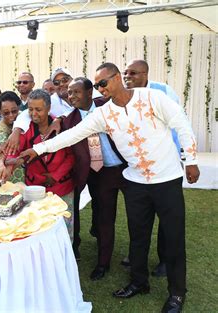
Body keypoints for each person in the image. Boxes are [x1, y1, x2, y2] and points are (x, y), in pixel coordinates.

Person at [20, 63, 200, 313]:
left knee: (173, 236)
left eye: (102, 83)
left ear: (117, 79)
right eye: (96, 85)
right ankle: (139, 282)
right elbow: (72, 135)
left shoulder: (151, 97)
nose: (99, 89)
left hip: (167, 179)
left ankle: (177, 294)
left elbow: (181, 123)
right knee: (138, 236)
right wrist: (38, 148)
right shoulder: (103, 115)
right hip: (136, 181)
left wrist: (190, 160)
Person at [121, 59, 183, 277]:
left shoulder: (162, 91)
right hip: (137, 170)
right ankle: (137, 258)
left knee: (167, 220)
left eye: (133, 73)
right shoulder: (122, 97)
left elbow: (178, 122)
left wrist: (181, 156)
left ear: (145, 74)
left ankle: (165, 260)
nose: (127, 77)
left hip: (165, 167)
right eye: (125, 73)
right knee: (139, 220)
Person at [64, 77, 127, 278]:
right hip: (99, 173)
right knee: (104, 217)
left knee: (138, 215)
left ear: (90, 92)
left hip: (128, 167)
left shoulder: (107, 104)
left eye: (76, 92)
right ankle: (103, 263)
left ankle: (136, 256)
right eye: (69, 92)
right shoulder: (69, 120)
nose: (71, 96)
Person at [4, 89, 75, 239]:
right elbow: (14, 153)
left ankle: (67, 256)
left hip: (62, 186)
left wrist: (55, 176)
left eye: (38, 109)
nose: (34, 113)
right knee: (37, 227)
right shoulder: (25, 129)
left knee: (64, 226)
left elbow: (71, 156)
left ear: (48, 108)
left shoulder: (61, 126)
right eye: (30, 109)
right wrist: (9, 164)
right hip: (34, 188)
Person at [0, 91, 24, 184]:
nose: (11, 115)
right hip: (13, 171)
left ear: (19, 107)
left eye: (14, 111)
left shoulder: (25, 117)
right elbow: (5, 150)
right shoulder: (1, 129)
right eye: (6, 113)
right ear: (0, 112)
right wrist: (1, 163)